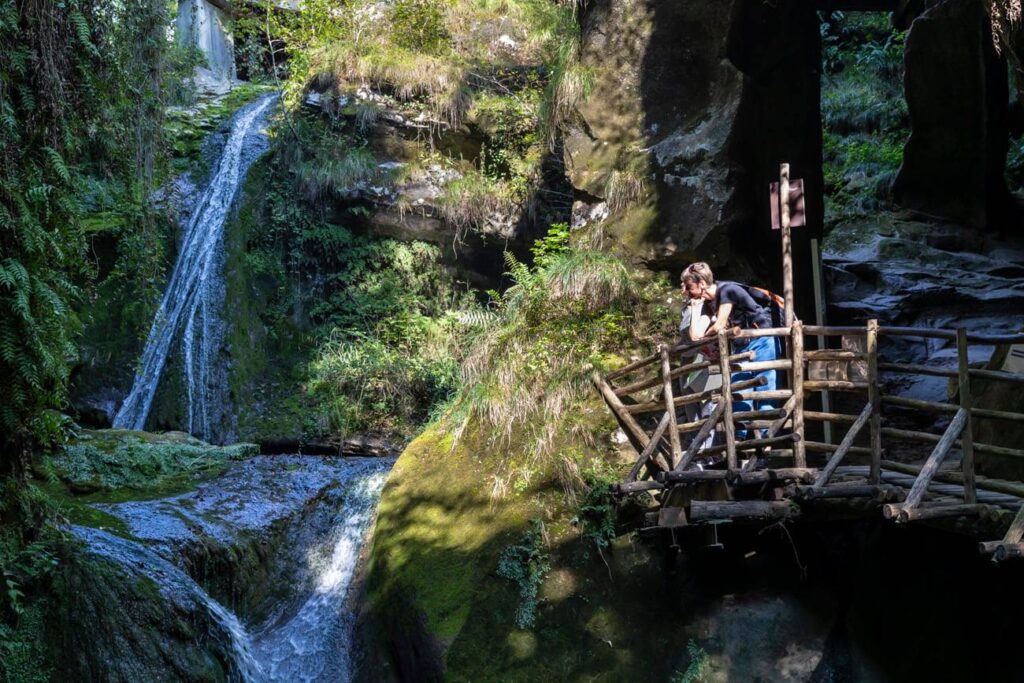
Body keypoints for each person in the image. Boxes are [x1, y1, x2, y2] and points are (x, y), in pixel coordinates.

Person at [680, 262, 781, 436]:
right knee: (740, 391)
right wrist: (694, 307)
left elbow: (719, 324)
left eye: (689, 287)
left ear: (702, 283)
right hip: (741, 346)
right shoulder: (707, 303)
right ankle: (739, 441)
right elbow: (696, 336)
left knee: (765, 390)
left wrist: (706, 334)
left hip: (763, 340)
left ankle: (767, 442)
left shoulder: (727, 290)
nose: (686, 292)